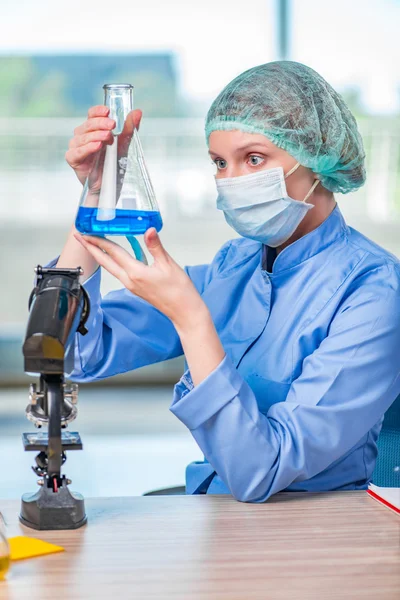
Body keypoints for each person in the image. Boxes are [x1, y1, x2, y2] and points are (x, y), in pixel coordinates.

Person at [54, 61, 400, 502]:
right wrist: (97, 192)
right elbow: (71, 351)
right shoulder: (233, 267)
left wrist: (191, 318)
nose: (231, 181)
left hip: (318, 533)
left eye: (254, 158)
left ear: (315, 157)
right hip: (218, 512)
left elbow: (260, 471)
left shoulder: (375, 291)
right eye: (220, 162)